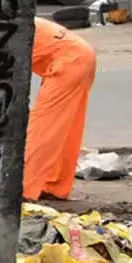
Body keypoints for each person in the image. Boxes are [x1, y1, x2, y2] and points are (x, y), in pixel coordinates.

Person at [25, 17, 97, 201]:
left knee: (42, 129)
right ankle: (55, 185)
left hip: (68, 62)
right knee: (65, 130)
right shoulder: (23, 22)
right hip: (83, 55)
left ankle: (25, 188)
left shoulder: (0, 35)